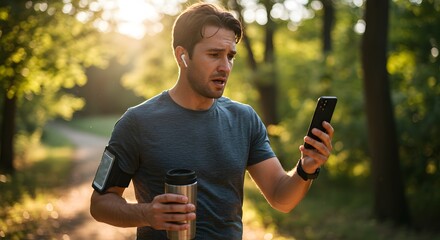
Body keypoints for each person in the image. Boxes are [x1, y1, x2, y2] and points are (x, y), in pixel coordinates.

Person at [90, 2, 334, 240]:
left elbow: (281, 198)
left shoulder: (244, 119)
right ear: (182, 56)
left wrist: (305, 169)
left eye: (230, 56)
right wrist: (147, 214)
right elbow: (100, 203)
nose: (225, 67)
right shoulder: (136, 122)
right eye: (214, 55)